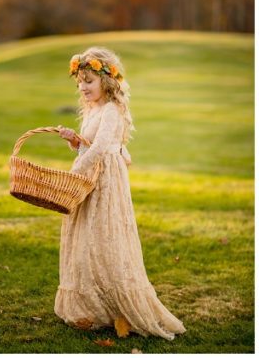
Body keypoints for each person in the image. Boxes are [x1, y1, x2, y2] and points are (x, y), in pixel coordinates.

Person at [55, 47, 185, 340]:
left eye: (88, 81)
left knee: (104, 237)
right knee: (88, 238)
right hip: (91, 175)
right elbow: (88, 144)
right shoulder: (94, 109)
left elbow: (101, 149)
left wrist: (72, 175)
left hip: (105, 180)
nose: (83, 87)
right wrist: (74, 140)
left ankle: (118, 306)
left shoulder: (112, 109)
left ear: (106, 81)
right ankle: (94, 307)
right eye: (80, 82)